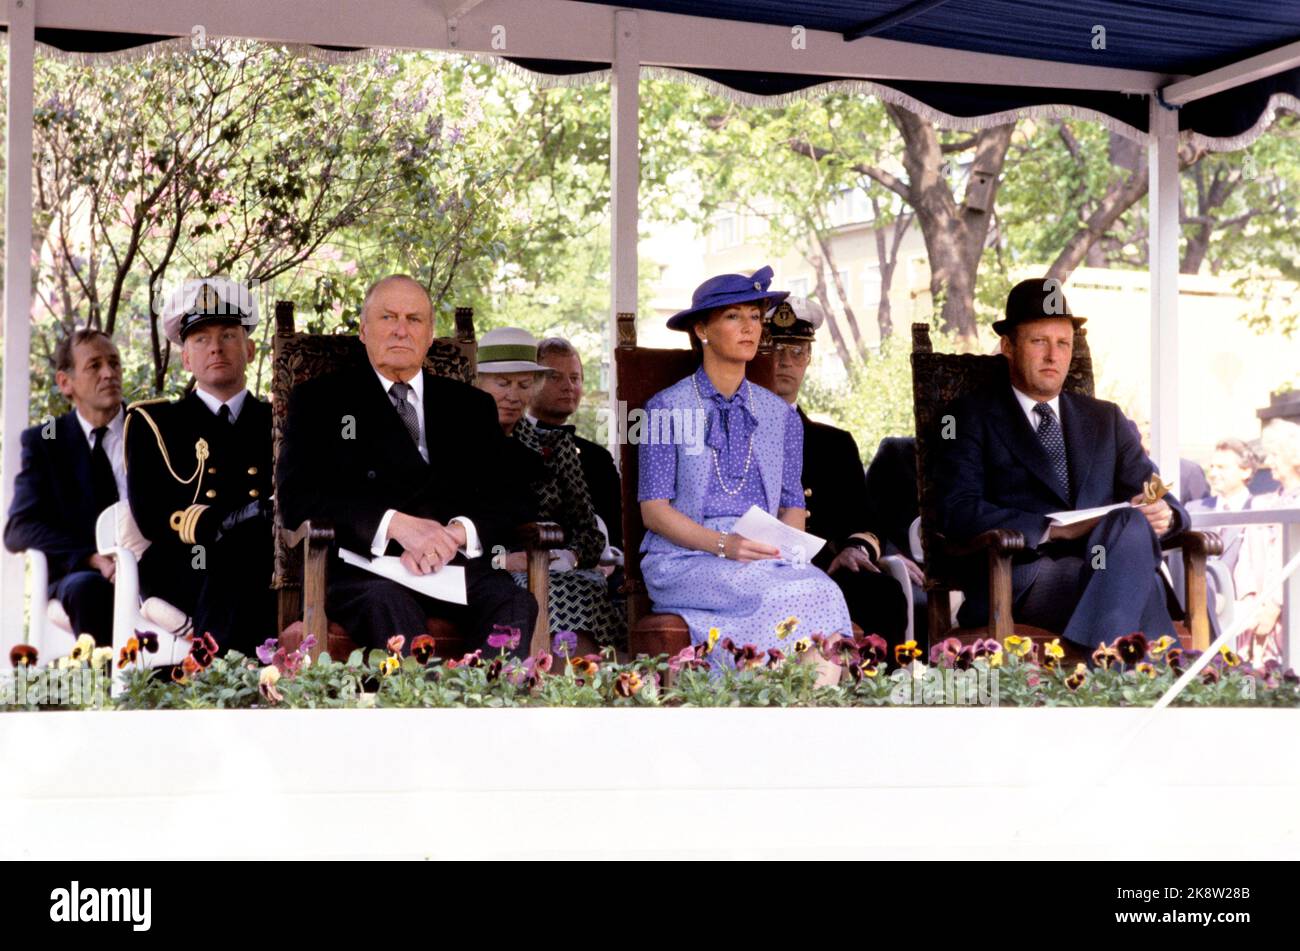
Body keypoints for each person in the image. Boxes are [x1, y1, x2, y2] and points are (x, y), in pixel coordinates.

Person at [277, 275, 536, 650]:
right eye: (388, 318)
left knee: (513, 603)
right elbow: (298, 499)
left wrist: (456, 534)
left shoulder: (471, 406)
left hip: (453, 567)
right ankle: (419, 707)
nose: (401, 330)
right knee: (390, 606)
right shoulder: (321, 401)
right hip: (367, 569)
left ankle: (490, 706)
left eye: (414, 319)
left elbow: (515, 498)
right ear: (364, 330)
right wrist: (397, 525)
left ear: (430, 334)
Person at [937, 277, 1189, 654]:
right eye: (1040, 342)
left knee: (1132, 522)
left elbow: (1163, 498)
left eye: (1063, 343)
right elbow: (956, 510)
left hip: (1102, 564)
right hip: (1021, 575)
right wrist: (1051, 530)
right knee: (1143, 582)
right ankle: (1166, 672)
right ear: (1008, 345)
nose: (1053, 356)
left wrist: (1164, 515)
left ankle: (1105, 674)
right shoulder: (967, 418)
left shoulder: (1107, 419)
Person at [638, 267, 852, 663]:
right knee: (788, 593)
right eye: (734, 316)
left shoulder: (779, 415)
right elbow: (654, 510)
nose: (749, 327)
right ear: (702, 329)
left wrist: (785, 553)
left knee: (822, 589)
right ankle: (760, 701)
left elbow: (792, 504)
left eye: (755, 316)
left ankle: (812, 709)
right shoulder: (667, 408)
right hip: (686, 560)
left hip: (763, 557)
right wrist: (724, 545)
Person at [124, 278, 276, 652]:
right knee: (232, 564)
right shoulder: (153, 423)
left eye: (228, 335)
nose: (216, 348)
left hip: (265, 557)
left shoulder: (278, 421)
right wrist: (228, 522)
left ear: (251, 349)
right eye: (201, 340)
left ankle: (233, 682)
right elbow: (151, 515)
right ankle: (224, 683)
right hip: (185, 559)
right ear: (186, 358)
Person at [764, 296, 910, 648]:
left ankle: (879, 698)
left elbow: (865, 520)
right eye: (775, 349)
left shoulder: (835, 444)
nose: (785, 361)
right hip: (760, 563)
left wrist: (854, 549)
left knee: (884, 593)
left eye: (797, 350)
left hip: (829, 567)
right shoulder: (737, 431)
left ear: (809, 359)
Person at [477, 328, 625, 649]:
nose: (513, 395)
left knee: (579, 589)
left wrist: (570, 556)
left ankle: (580, 692)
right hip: (485, 568)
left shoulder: (558, 447)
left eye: (523, 384)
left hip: (557, 569)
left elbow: (592, 531)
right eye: (503, 384)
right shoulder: (461, 441)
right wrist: (505, 559)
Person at [4, 329, 127, 643]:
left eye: (114, 363)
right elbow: (19, 528)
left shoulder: (148, 429)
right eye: (94, 366)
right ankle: (109, 690)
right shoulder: (46, 443)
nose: (109, 373)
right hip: (82, 574)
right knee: (88, 589)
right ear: (65, 382)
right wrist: (90, 556)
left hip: (150, 566)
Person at [528, 336, 623, 551]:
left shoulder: (597, 458)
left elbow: (617, 527)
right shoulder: (510, 446)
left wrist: (609, 557)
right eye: (554, 377)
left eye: (575, 378)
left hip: (601, 566)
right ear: (530, 381)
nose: (568, 386)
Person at [1233, 419, 1300, 666]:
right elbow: (1245, 560)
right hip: (1255, 615)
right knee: (1252, 679)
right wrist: (1250, 601)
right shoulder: (1262, 504)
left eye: (1275, 455)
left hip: (1291, 613)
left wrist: (1275, 603)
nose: (1268, 462)